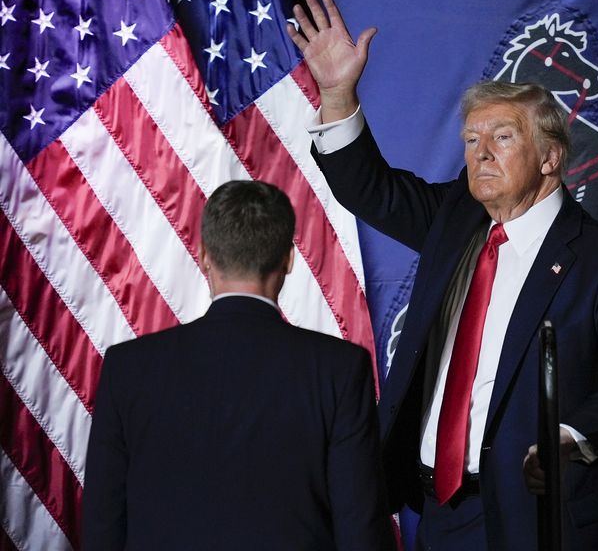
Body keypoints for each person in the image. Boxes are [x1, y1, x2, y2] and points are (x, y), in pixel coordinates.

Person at [288, 0, 598, 551]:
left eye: (502, 137)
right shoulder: (454, 219)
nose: (481, 153)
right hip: (439, 515)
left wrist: (572, 435)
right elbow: (368, 189)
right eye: (471, 139)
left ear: (550, 157)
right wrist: (337, 94)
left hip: (541, 520)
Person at [82, 180, 395, 551]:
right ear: (288, 259)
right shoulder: (339, 369)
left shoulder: (128, 369)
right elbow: (360, 525)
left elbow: (103, 522)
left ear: (203, 256)